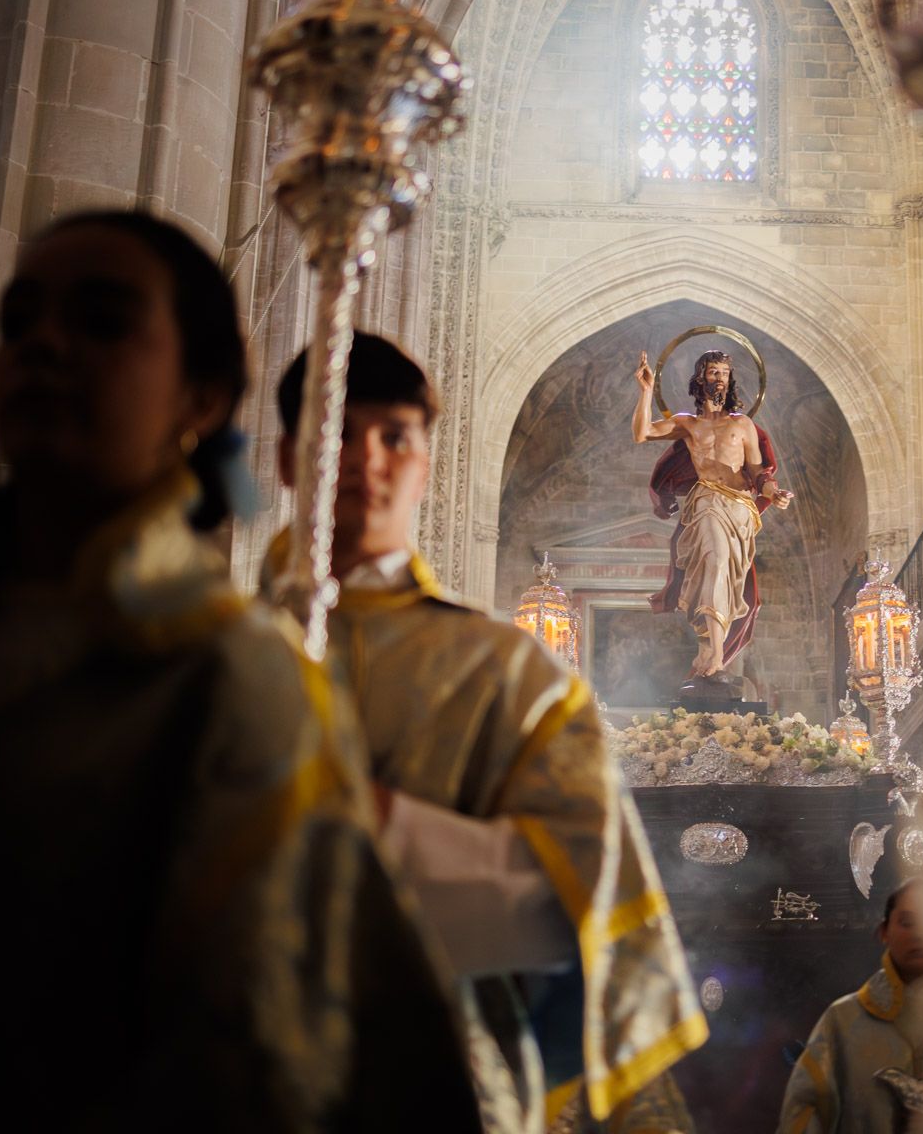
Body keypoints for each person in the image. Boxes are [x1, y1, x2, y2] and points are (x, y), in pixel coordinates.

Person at [0, 211, 482, 1131]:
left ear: (201, 396)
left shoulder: (233, 676)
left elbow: (266, 1064)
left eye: (103, 321)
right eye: (19, 320)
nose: (44, 346)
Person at [270, 334, 705, 1134]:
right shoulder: (204, 659)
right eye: (336, 432)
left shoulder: (515, 680)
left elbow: (573, 920)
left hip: (445, 1072)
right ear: (286, 459)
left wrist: (367, 824)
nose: (365, 459)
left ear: (428, 464)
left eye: (395, 436)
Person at [633, 348, 792, 689]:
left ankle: (707, 650)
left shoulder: (743, 425)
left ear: (729, 380)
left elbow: (758, 470)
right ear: (700, 377)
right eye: (712, 372)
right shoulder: (688, 425)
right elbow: (642, 432)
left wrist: (772, 493)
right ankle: (717, 657)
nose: (719, 378)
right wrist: (646, 391)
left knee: (727, 579)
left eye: (723, 373)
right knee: (715, 562)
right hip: (705, 500)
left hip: (738, 509)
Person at [777, 879, 923, 1134]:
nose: (920, 933)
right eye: (907, 922)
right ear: (884, 932)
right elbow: (805, 1110)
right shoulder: (843, 1019)